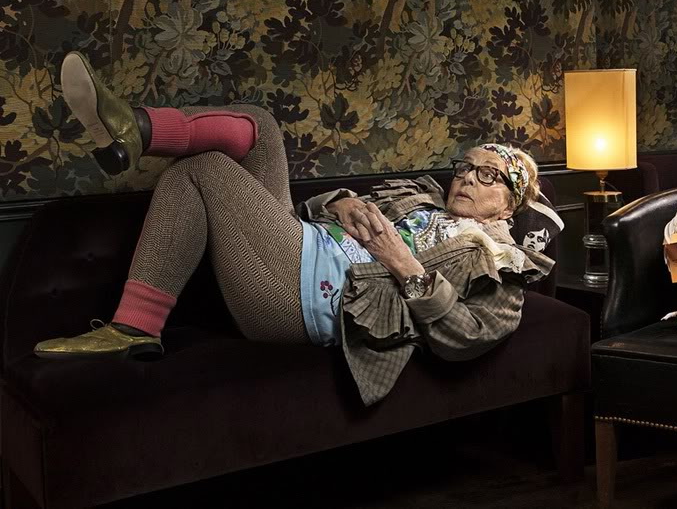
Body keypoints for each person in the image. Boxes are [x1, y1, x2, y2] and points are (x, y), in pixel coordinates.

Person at [35, 52, 556, 405]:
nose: (467, 178)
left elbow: (464, 339)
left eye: (488, 175)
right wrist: (343, 201)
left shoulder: (500, 261)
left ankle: (133, 327)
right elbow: (315, 210)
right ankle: (135, 128)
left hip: (311, 300)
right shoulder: (421, 197)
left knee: (203, 168)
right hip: (302, 247)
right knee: (260, 124)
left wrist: (403, 262)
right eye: (465, 166)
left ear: (508, 205)